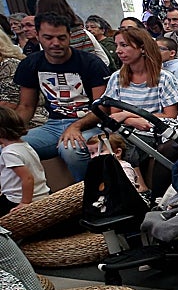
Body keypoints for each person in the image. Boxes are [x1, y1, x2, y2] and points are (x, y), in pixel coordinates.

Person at [14, 13, 110, 181]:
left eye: (61, 37)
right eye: (48, 37)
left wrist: (76, 126)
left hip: (91, 124)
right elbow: (26, 106)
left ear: (69, 36)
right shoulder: (30, 63)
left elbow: (102, 108)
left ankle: (89, 195)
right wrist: (11, 131)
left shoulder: (90, 63)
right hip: (52, 125)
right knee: (13, 147)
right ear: (38, 36)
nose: (56, 43)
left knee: (72, 149)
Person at [103, 27, 178, 132]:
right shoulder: (117, 77)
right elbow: (115, 115)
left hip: (155, 132)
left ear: (142, 48)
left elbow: (170, 115)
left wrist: (127, 115)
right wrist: (131, 121)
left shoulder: (164, 78)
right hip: (125, 131)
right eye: (117, 46)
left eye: (124, 45)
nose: (118, 51)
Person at [0, 105, 48, 216]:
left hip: (16, 199)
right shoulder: (24, 145)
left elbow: (28, 178)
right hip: (41, 194)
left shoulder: (9, 153)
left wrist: (25, 203)